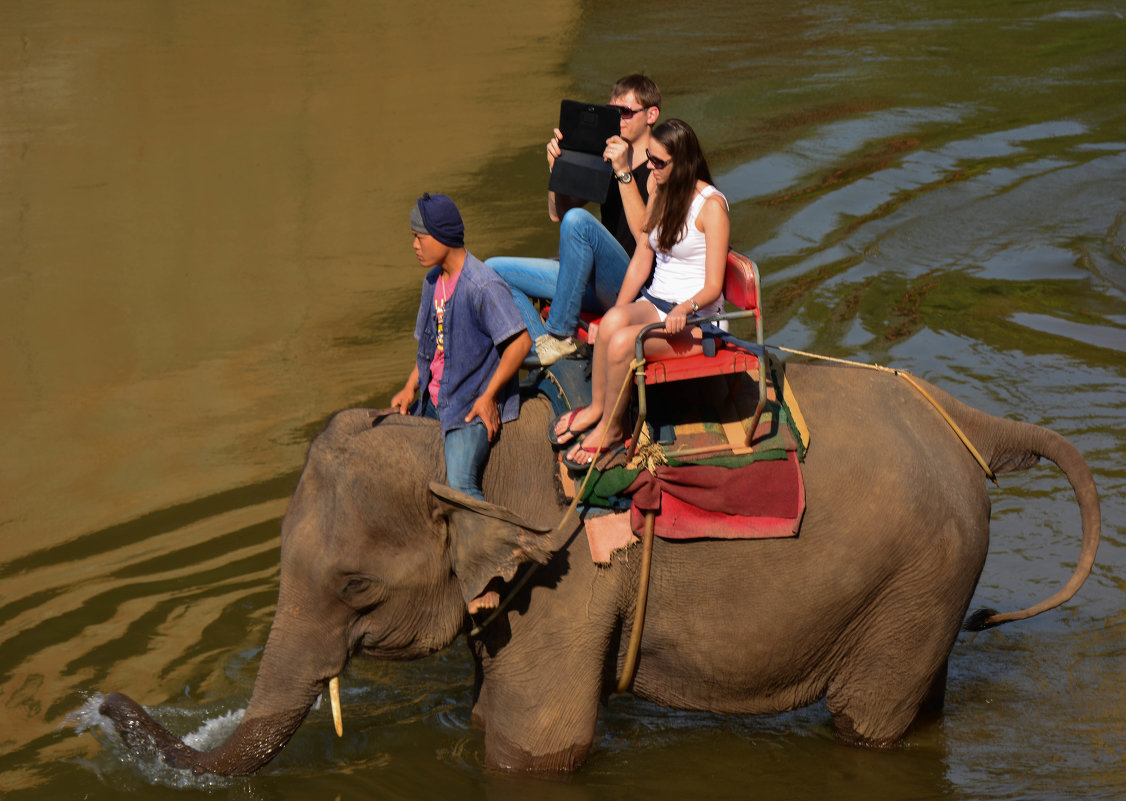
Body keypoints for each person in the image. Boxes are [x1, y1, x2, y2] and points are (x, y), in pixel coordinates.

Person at [553, 119, 730, 470]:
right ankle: (597, 409)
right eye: (649, 157)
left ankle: (613, 429)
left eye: (658, 162)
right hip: (656, 304)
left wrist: (686, 306)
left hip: (697, 320)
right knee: (612, 324)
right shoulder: (659, 190)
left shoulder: (711, 207)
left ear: (683, 162)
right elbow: (643, 256)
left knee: (622, 344)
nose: (649, 166)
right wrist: (616, 312)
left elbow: (714, 285)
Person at [485, 74, 661, 366]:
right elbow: (560, 216)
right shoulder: (609, 158)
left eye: (626, 112)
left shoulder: (660, 166)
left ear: (651, 114)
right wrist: (558, 172)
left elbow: (647, 236)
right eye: (612, 112)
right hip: (599, 282)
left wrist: (623, 173)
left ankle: (560, 334)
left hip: (635, 286)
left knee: (581, 220)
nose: (618, 119)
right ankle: (545, 346)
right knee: (495, 272)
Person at [391, 193, 532, 500]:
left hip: (467, 408)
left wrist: (488, 397)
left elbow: (520, 343)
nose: (414, 245)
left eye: (419, 237)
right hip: (434, 400)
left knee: (460, 487)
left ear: (442, 236)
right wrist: (409, 388)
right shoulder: (432, 282)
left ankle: (487, 545)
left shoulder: (482, 285)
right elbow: (432, 348)